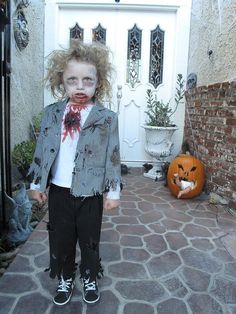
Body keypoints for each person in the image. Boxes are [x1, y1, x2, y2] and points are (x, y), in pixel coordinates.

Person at [28, 41, 121, 306]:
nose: (80, 87)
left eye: (88, 81)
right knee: (62, 238)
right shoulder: (52, 114)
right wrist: (36, 184)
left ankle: (89, 275)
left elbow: (113, 155)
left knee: (90, 240)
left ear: (98, 83)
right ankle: (65, 276)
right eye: (72, 80)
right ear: (62, 82)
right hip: (59, 192)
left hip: (90, 192)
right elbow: (43, 149)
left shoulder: (107, 117)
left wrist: (113, 192)